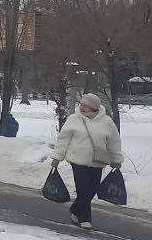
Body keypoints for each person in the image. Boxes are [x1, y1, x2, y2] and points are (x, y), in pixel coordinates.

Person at [51, 93, 123, 229]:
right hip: (77, 160)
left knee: (92, 189)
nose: (82, 108)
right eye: (81, 104)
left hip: (97, 161)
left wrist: (116, 159)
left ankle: (75, 209)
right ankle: (85, 218)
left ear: (95, 107)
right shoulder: (73, 119)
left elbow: (114, 142)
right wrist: (57, 157)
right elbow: (63, 139)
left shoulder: (107, 122)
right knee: (83, 187)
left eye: (86, 105)